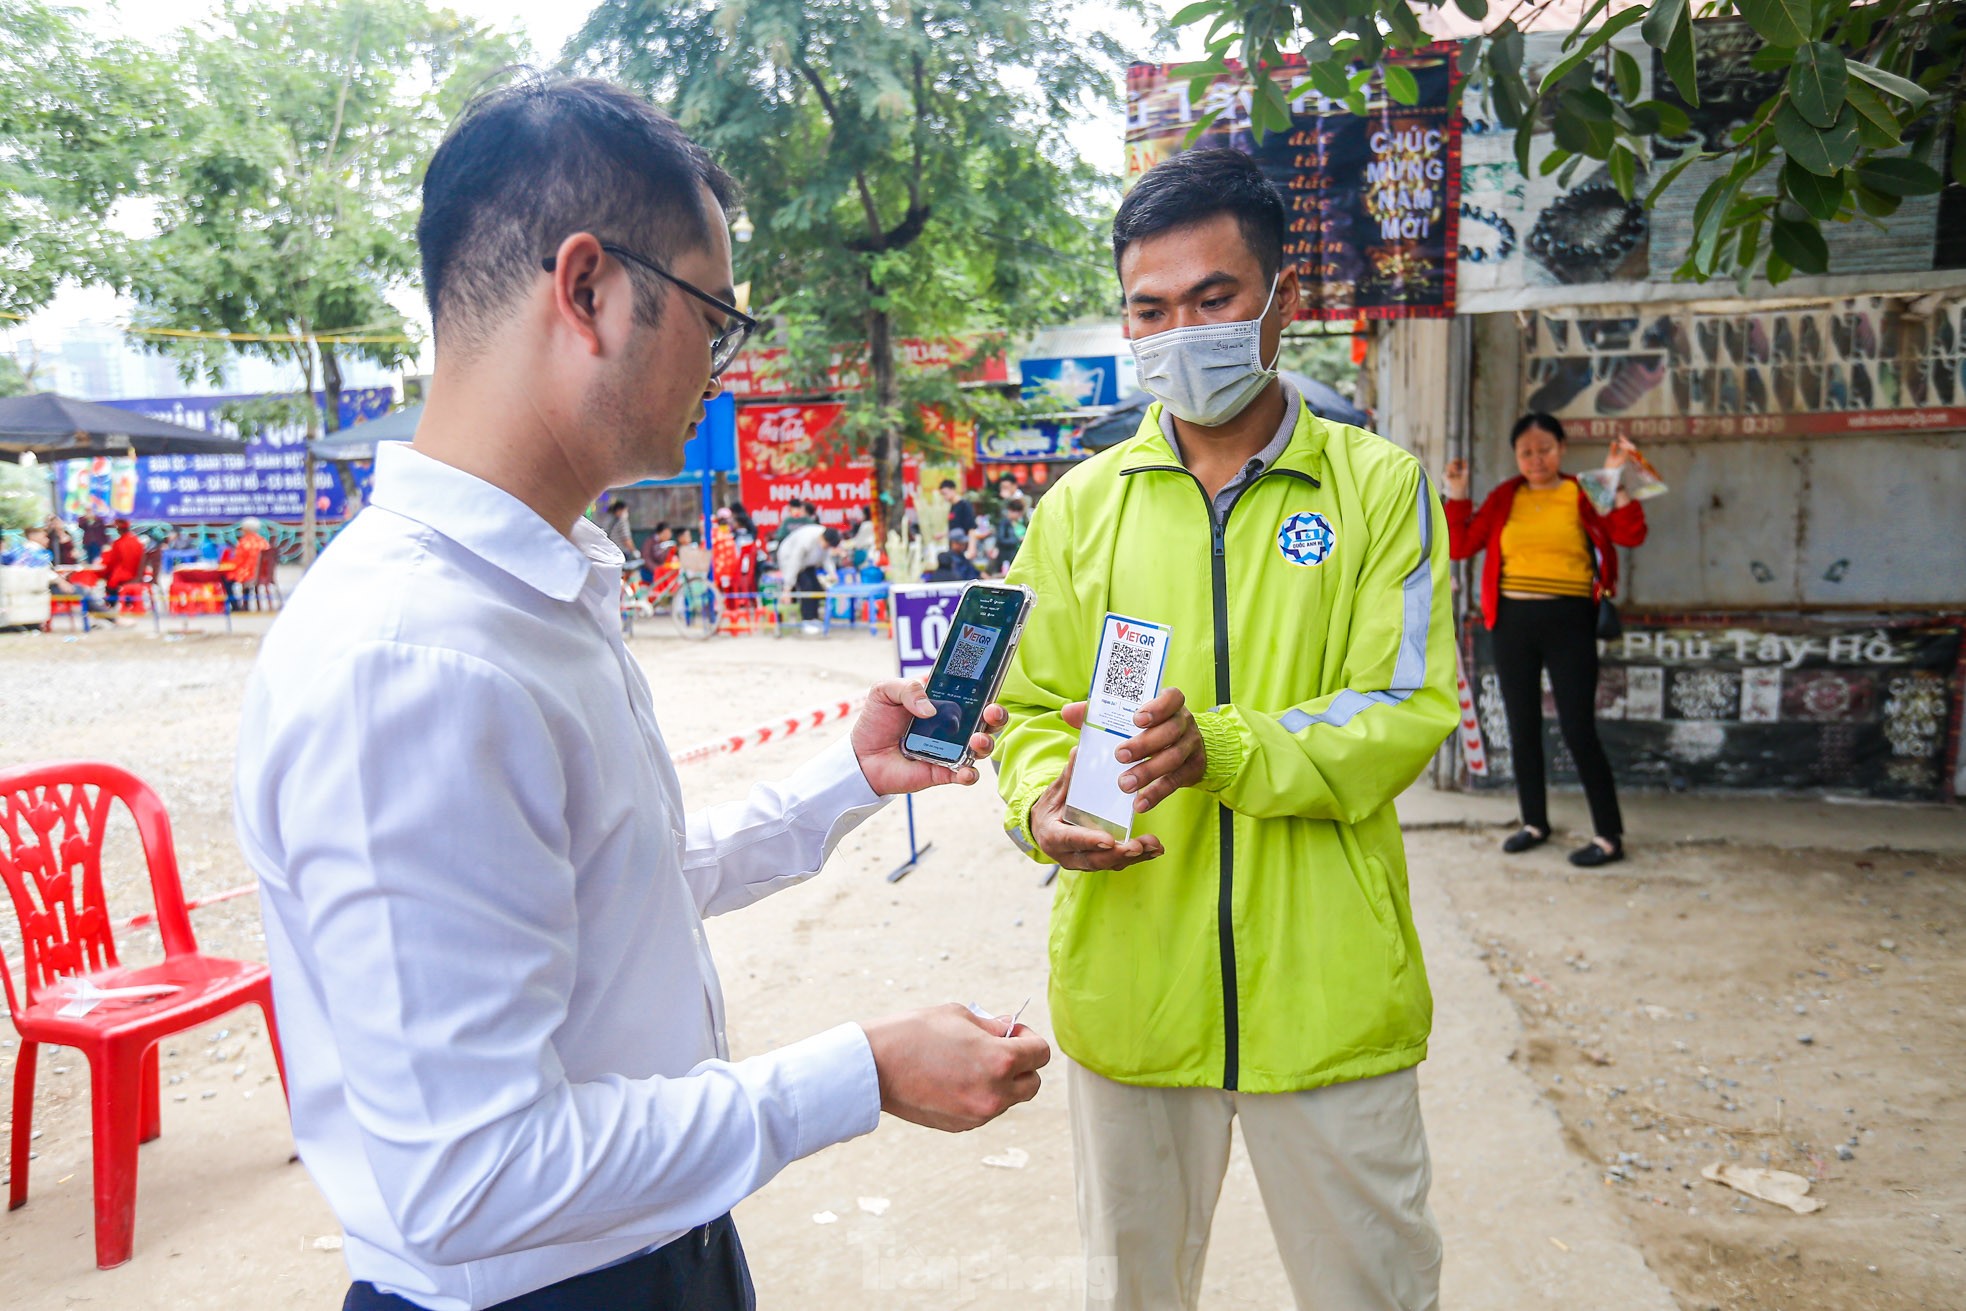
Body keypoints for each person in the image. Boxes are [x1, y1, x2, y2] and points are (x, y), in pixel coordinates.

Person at [233, 77, 1047, 1311]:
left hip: (652, 1235)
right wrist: (860, 1072)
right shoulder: (417, 660)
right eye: (716, 320)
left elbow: (612, 887)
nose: (719, 368)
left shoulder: (535, 590)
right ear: (590, 290)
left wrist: (842, 782)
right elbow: (472, 1179)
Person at [995, 148, 1456, 1311]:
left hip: (1332, 997)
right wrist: (1042, 803)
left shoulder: (1376, 489)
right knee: (1131, 1295)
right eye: (1150, 309)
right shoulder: (1076, 510)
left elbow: (1404, 706)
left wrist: (1229, 749)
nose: (1180, 332)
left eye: (1213, 298)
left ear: (1279, 300)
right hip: (1130, 993)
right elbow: (1034, 711)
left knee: (1375, 1292)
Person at [1443, 416, 1647, 867]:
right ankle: (1533, 823)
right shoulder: (1505, 496)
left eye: (1545, 449)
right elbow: (1458, 546)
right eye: (1527, 452)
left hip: (1571, 619)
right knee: (1522, 727)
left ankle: (1608, 835)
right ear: (1517, 456)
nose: (1537, 459)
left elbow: (1630, 533)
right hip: (1512, 621)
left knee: (1578, 729)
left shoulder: (1583, 490)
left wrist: (1615, 482)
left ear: (1562, 448)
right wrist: (1457, 494)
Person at [777, 521, 840, 627]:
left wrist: (832, 573)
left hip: (808, 563)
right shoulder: (806, 540)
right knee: (807, 587)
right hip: (790, 559)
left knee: (816, 587)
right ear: (822, 538)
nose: (827, 547)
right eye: (827, 545)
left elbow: (826, 558)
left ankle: (814, 617)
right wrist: (787, 588)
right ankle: (806, 620)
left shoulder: (825, 540)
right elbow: (794, 563)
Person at [223, 517, 271, 612]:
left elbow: (238, 561)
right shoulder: (263, 542)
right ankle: (244, 604)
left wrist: (225, 566)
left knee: (226, 579)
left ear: (246, 529)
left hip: (248, 574)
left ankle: (236, 606)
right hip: (263, 575)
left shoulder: (244, 542)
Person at [993, 497, 1028, 572]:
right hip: (1008, 556)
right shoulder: (1004, 523)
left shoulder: (1022, 523)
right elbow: (1001, 540)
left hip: (1021, 555)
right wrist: (1018, 539)